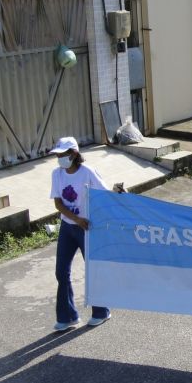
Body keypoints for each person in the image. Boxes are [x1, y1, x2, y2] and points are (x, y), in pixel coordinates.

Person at [49, 137, 111, 331]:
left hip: (87, 228)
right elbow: (58, 203)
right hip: (68, 227)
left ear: (74, 154)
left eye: (63, 154)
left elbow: (104, 196)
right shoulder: (57, 174)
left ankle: (101, 311)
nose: (60, 158)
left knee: (92, 269)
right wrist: (75, 220)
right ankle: (67, 317)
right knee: (61, 272)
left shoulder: (88, 173)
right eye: (58, 155)